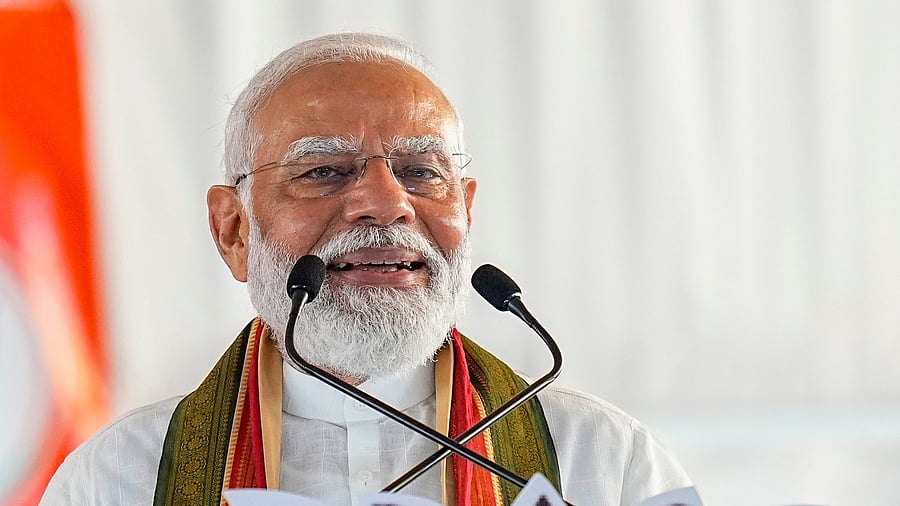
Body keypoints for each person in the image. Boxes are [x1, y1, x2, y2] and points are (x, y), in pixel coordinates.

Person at [41, 32, 694, 506]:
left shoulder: (607, 466)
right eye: (324, 171)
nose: (387, 204)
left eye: (420, 173)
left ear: (466, 213)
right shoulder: (117, 481)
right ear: (234, 230)